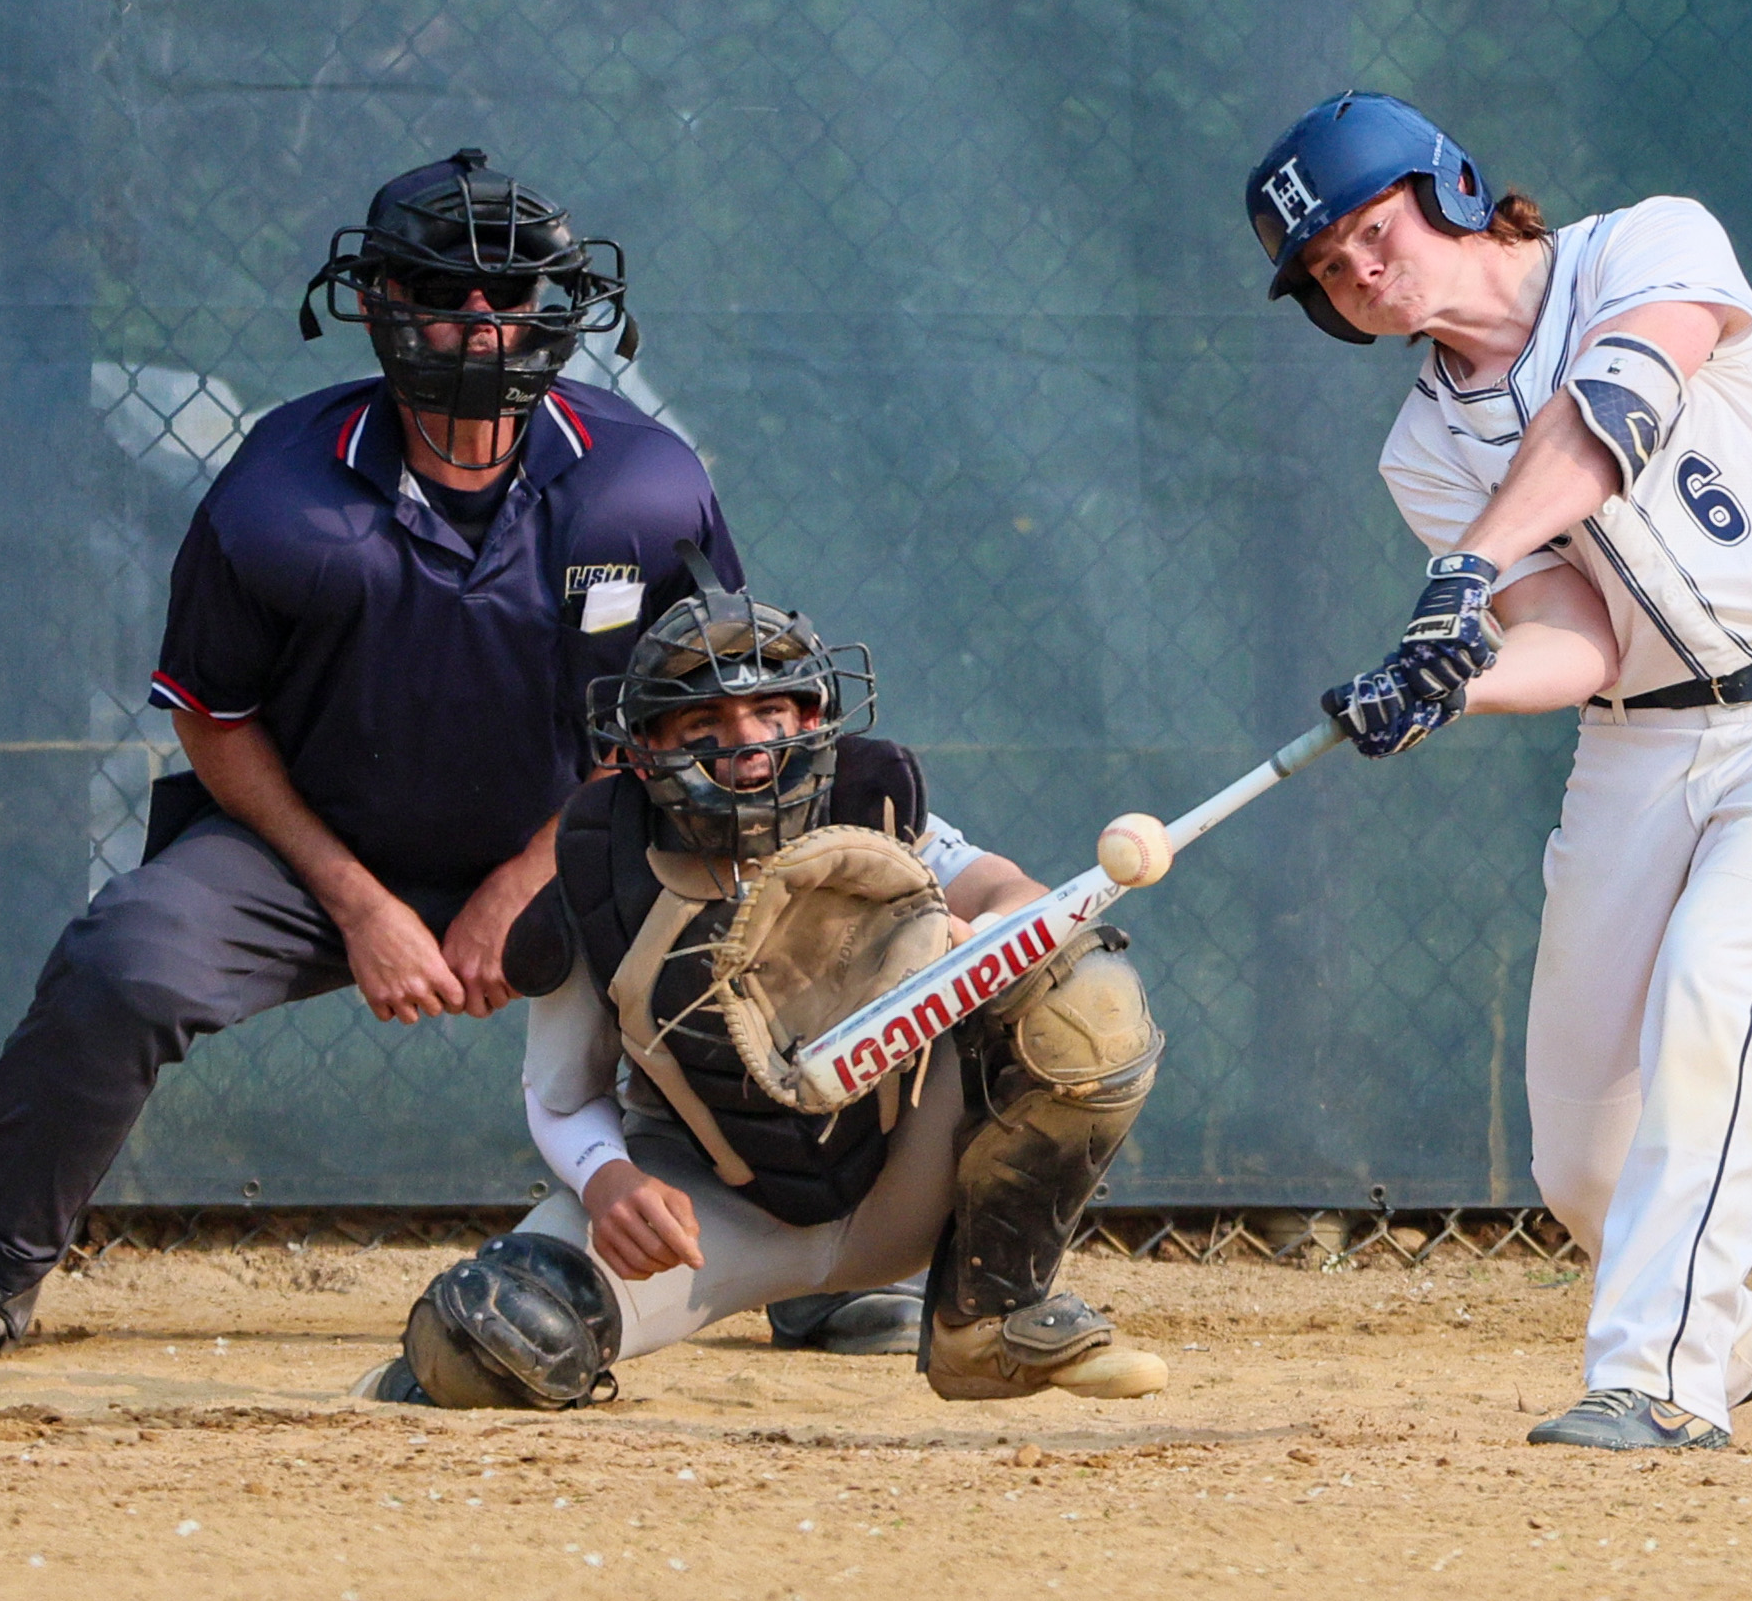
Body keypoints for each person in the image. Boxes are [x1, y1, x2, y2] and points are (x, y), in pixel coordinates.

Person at [0, 149, 743, 1362]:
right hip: (316, 847)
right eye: (446, 292)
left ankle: (817, 1256)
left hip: (576, 841)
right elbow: (213, 719)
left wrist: (527, 875)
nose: (482, 325)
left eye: (514, 297)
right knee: (128, 959)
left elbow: (694, 714)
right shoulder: (282, 488)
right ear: (382, 302)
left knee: (763, 934)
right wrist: (362, 906)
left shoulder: (643, 480)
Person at [1245, 93, 1752, 1450]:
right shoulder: (1421, 446)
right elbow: (1579, 636)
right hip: (1642, 742)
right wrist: (1455, 680)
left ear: (1447, 187)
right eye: (1328, 267)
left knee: (1714, 981)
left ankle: (1659, 1378)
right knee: (1578, 1157)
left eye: (1371, 229)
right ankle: (1730, 1327)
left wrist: (1461, 574)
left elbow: (1613, 406)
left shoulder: (1646, 245)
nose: (1363, 272)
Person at [358, 568, 1169, 1408]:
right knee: (493, 1336)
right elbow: (560, 1096)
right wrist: (609, 1179)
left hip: (902, 1178)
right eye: (701, 722)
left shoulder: (872, 807)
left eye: (769, 714)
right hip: (712, 1206)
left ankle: (989, 1319)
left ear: (811, 718)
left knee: (1086, 999)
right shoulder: (602, 875)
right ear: (644, 749)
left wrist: (975, 940)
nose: (744, 743)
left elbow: (1018, 899)